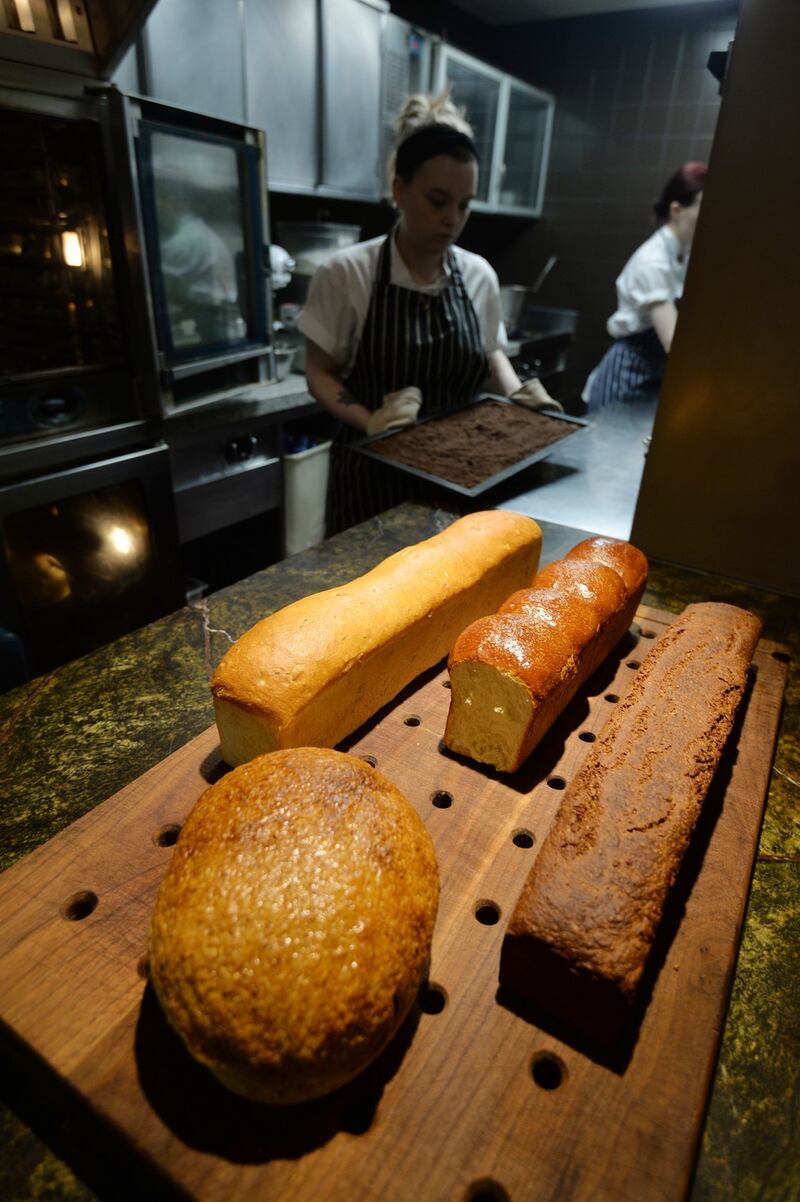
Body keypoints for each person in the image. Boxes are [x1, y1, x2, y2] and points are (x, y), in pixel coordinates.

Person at [298, 91, 560, 535]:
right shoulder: (347, 273)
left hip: (460, 480)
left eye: (464, 205)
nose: (452, 219)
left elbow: (490, 353)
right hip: (371, 483)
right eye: (438, 201)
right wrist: (370, 420)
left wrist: (518, 397)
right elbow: (318, 371)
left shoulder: (478, 275)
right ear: (400, 189)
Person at [582, 162, 707, 411]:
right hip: (624, 378)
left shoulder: (684, 255)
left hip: (653, 374)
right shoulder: (653, 260)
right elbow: (672, 340)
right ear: (676, 209)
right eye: (703, 209)